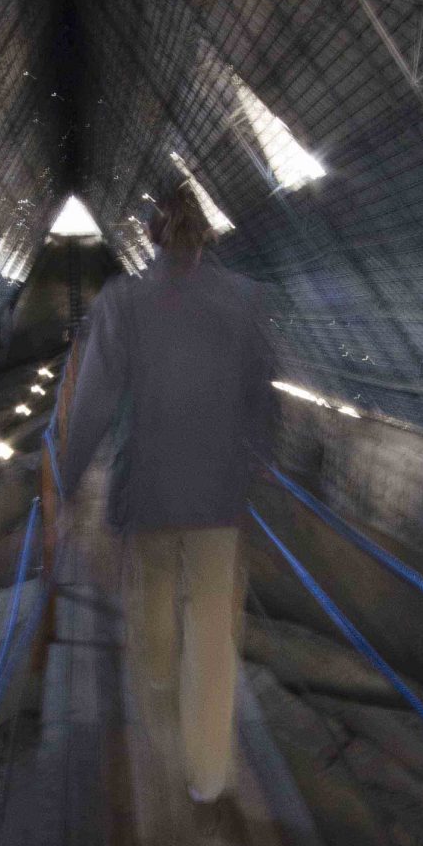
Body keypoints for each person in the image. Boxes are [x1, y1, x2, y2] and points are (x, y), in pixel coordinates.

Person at [59, 180, 277, 802]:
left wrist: (72, 476)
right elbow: (263, 401)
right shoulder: (244, 300)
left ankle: (156, 678)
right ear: (206, 234)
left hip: (149, 486)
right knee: (211, 631)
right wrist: (256, 469)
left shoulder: (122, 302)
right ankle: (207, 775)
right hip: (218, 495)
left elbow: (96, 397)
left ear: (152, 235)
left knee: (152, 590)